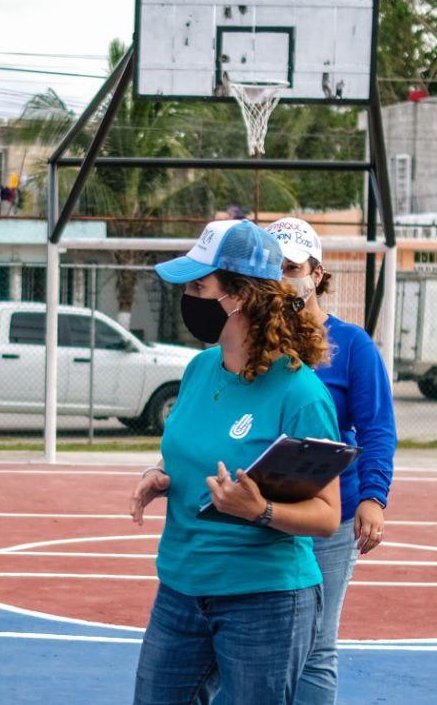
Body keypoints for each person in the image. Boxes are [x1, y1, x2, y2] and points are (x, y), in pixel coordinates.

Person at [129, 219, 343, 705]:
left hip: (264, 601)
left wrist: (259, 510)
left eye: (198, 287)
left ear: (241, 296)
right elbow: (189, 451)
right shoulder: (198, 369)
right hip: (181, 588)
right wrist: (159, 476)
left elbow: (327, 515)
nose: (187, 297)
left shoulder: (301, 393)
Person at [266, 218, 398, 704]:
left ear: (317, 274)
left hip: (330, 516)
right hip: (258, 510)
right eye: (273, 268)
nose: (283, 278)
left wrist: (373, 498)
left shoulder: (353, 346)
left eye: (292, 267)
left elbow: (377, 428)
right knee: (249, 634)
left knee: (316, 645)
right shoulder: (255, 344)